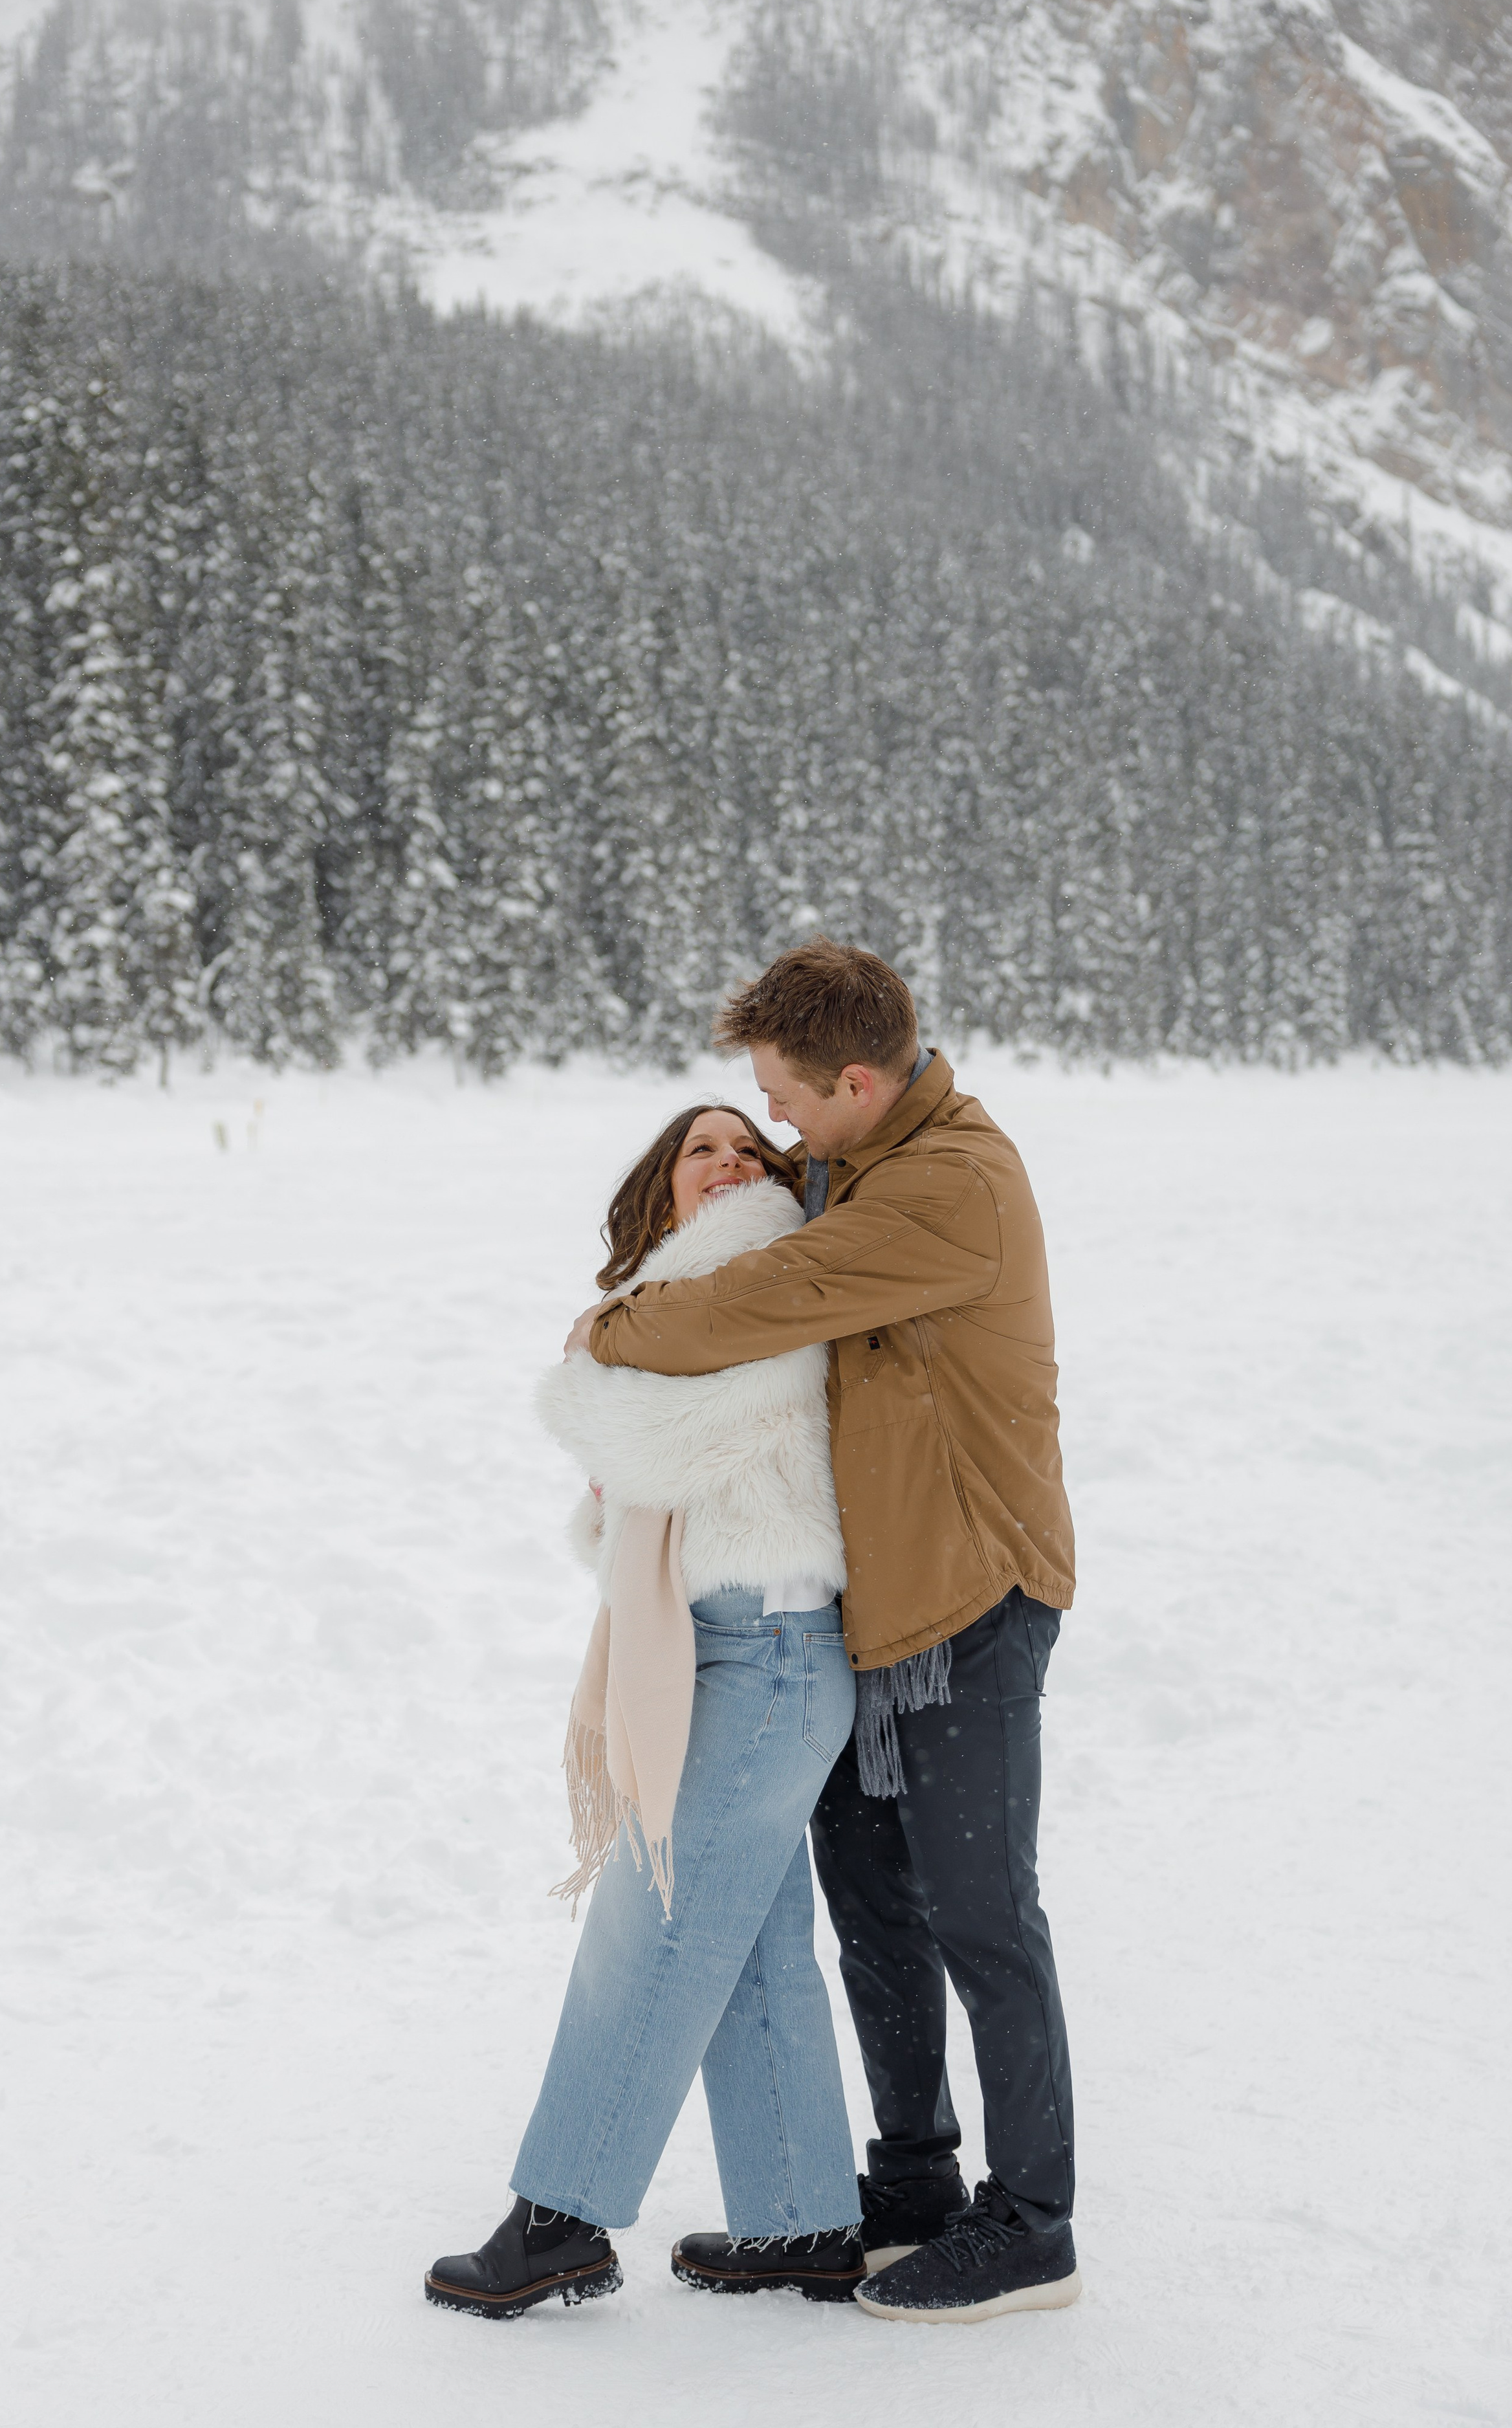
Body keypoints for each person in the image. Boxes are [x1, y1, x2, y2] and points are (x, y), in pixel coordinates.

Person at [566, 939, 1081, 2326]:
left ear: (855, 1080)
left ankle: (1032, 2225)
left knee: (981, 1916)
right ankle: (908, 2188)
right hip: (872, 1613)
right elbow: (732, 1217)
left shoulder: (944, 1186)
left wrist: (610, 1333)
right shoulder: (853, 1161)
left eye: (784, 1101)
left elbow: (761, 1299)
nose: (772, 1128)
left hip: (969, 1600)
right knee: (873, 1916)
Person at [425, 1104, 868, 2320]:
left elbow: (663, 1448)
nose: (733, 1165)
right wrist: (615, 1391)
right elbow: (632, 1495)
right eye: (702, 1150)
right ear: (662, 1186)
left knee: (652, 1925)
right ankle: (806, 2220)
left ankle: (560, 2219)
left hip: (768, 1652)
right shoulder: (682, 1303)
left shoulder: (769, 1275)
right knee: (749, 1947)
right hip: (734, 1643)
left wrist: (591, 1365)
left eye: (749, 1146)